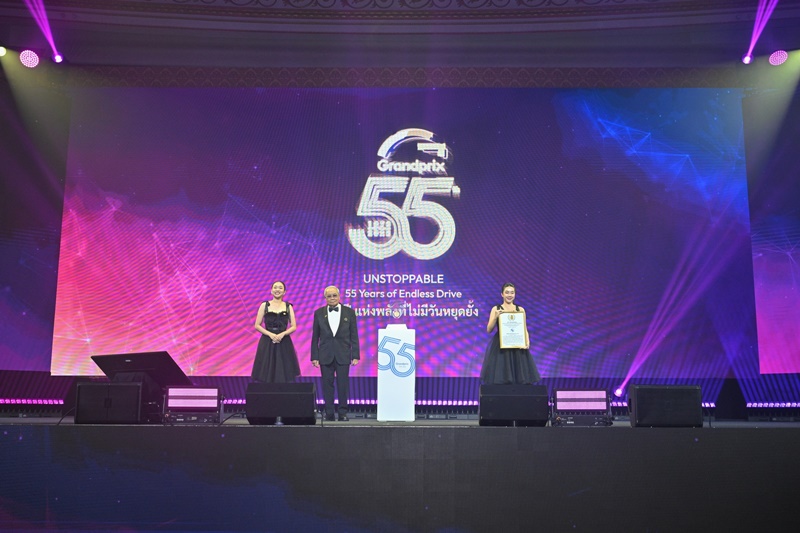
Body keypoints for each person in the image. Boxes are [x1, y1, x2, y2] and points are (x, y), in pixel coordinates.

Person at [311, 285, 360, 422]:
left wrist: (355, 355)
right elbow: (315, 337)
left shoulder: (349, 312)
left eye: (334, 295)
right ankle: (329, 413)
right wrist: (314, 356)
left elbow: (354, 335)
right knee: (327, 386)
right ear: (325, 298)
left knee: (343, 385)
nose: (332, 298)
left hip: (343, 354)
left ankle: (343, 413)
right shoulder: (318, 313)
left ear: (339, 296)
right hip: (325, 355)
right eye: (329, 296)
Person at [480, 282, 541, 385]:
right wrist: (495, 317)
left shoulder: (520, 310)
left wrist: (527, 341)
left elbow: (524, 328)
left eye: (512, 292)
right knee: (502, 375)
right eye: (507, 292)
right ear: (502, 294)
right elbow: (489, 329)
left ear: (515, 294)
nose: (509, 295)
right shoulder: (496, 309)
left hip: (517, 345)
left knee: (519, 376)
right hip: (501, 345)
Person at [251, 281, 301, 385]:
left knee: (283, 371)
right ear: (271, 290)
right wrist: (270, 334)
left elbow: (294, 326)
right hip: (267, 341)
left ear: (284, 292)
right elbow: (257, 325)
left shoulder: (288, 306)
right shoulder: (264, 305)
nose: (277, 290)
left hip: (284, 341)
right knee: (266, 371)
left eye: (280, 288)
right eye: (275, 287)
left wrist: (282, 334)